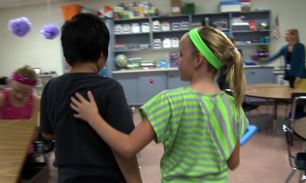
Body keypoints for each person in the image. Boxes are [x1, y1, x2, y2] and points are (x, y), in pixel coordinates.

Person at [70, 26, 249, 182]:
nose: (177, 60)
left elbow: (128, 147)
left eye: (180, 54)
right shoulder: (233, 106)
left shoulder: (170, 101)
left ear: (198, 60)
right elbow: (233, 163)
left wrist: (93, 117)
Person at [39, 13, 141, 183]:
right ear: (102, 54)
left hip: (68, 177)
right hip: (107, 176)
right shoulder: (110, 88)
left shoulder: (51, 87)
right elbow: (126, 144)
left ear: (67, 55)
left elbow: (47, 134)